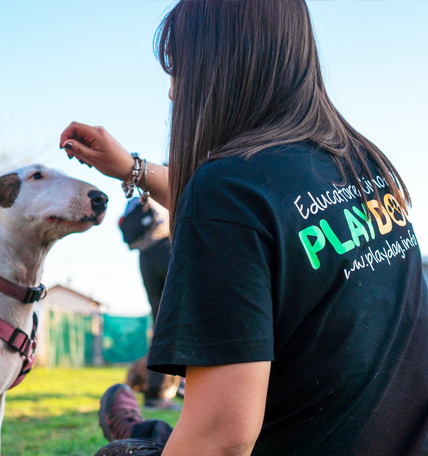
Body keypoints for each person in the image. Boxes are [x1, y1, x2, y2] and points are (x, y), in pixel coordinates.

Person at [59, 1, 428, 455]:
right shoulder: (358, 161)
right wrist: (132, 169)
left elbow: (222, 440)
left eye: (178, 69)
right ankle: (144, 434)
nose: (173, 93)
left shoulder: (227, 190)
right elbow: (264, 222)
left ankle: (136, 438)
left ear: (221, 68)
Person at [120, 197, 181, 409]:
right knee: (180, 320)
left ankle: (157, 392)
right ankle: (164, 390)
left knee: (160, 325)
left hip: (146, 258)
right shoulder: (166, 190)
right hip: (165, 249)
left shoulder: (141, 195)